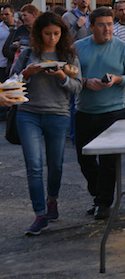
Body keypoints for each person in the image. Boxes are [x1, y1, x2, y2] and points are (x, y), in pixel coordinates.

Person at [12, 12, 82, 235]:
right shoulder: (27, 54)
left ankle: (52, 200)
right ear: (38, 33)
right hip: (28, 113)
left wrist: (62, 76)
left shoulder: (69, 55)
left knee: (56, 164)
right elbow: (12, 81)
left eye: (56, 33)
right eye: (47, 34)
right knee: (34, 166)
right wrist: (27, 73)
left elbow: (77, 87)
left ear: (62, 34)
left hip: (58, 114)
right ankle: (39, 214)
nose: (52, 38)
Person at [74, 8, 125, 220]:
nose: (107, 29)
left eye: (110, 24)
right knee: (85, 159)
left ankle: (104, 202)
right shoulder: (78, 48)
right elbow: (68, 76)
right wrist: (85, 82)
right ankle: (98, 194)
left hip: (113, 112)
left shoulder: (123, 48)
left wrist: (117, 79)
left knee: (108, 161)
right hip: (84, 111)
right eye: (101, 25)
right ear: (91, 27)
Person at [0, 5, 15, 81]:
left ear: (13, 14)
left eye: (6, 14)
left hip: (14, 64)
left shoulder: (18, 27)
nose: (4, 16)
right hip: (2, 64)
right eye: (2, 14)